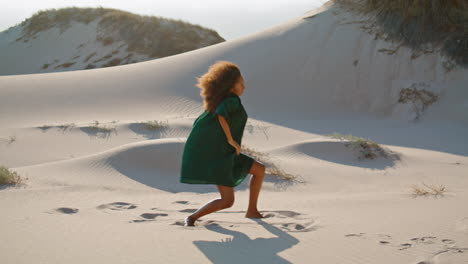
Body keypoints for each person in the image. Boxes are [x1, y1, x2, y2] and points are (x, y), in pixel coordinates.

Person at [180, 60, 266, 227]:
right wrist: (231, 140)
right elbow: (221, 116)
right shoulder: (231, 100)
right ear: (232, 85)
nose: (244, 87)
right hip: (221, 156)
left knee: (259, 169)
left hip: (227, 153)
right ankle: (192, 217)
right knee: (227, 201)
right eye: (241, 83)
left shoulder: (223, 100)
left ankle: (252, 211)